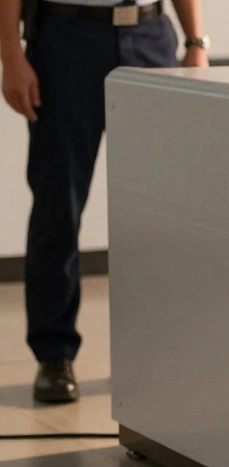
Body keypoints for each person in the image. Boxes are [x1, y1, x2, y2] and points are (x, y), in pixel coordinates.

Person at [1, 0, 209, 403]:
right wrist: (11, 54)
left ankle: (158, 352)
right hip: (65, 39)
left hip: (150, 39)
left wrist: (196, 40)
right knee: (58, 206)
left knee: (162, 210)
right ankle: (54, 354)